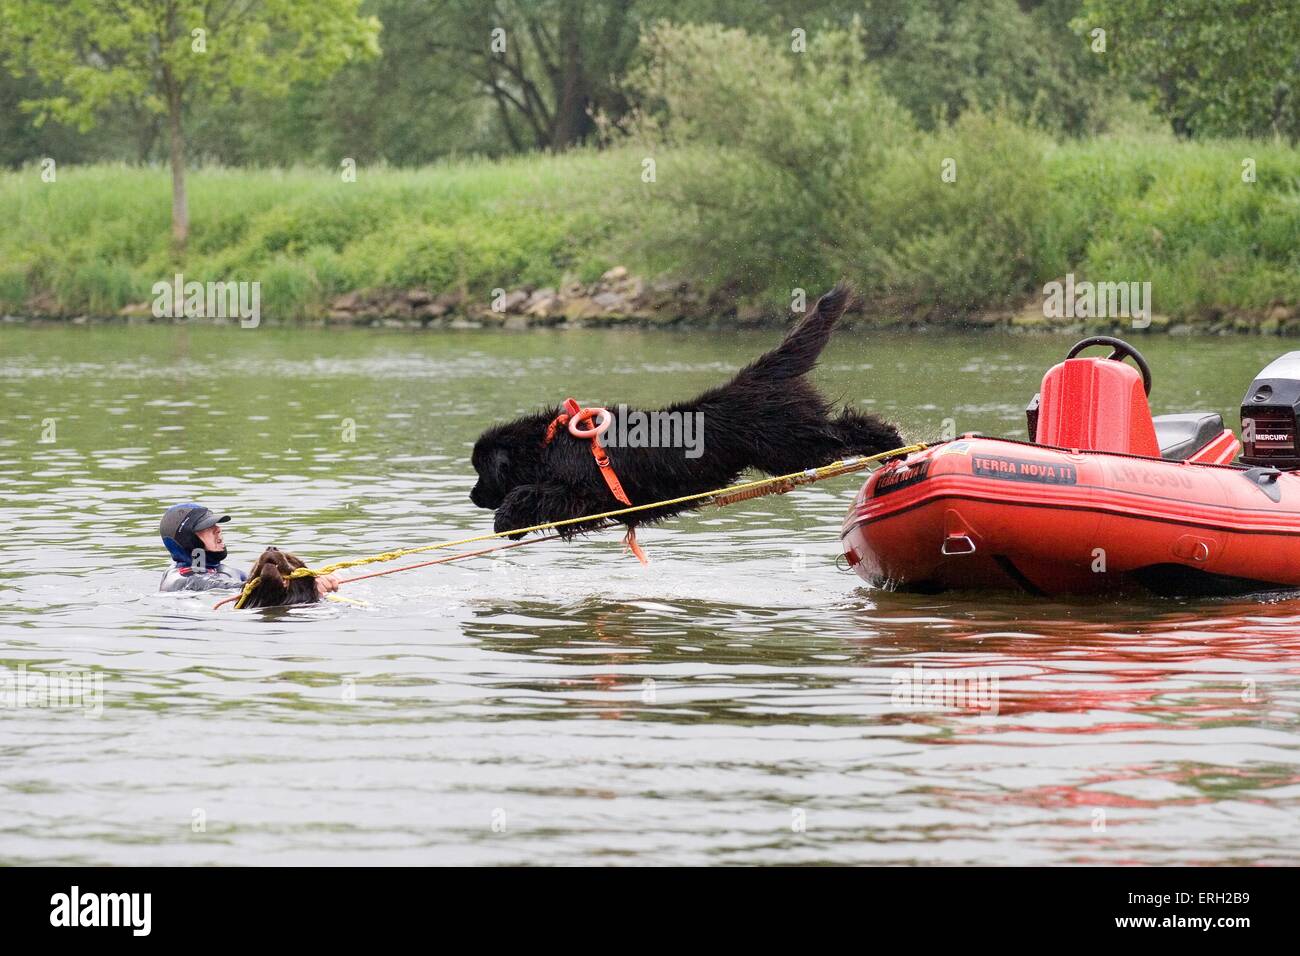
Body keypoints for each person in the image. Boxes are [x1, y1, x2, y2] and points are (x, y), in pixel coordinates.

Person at [158, 503, 338, 596]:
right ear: (188, 540)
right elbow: (215, 586)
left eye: (215, 523)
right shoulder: (179, 580)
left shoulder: (227, 571)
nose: (218, 529)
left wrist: (309, 578)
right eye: (206, 526)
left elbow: (255, 582)